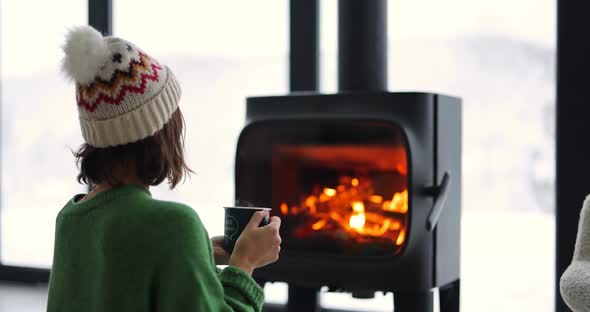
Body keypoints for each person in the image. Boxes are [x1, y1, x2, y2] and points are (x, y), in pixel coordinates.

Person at [47, 25, 281, 312]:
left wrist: (196, 253)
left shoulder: (70, 219)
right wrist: (245, 263)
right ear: (160, 132)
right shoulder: (174, 224)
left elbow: (123, 279)